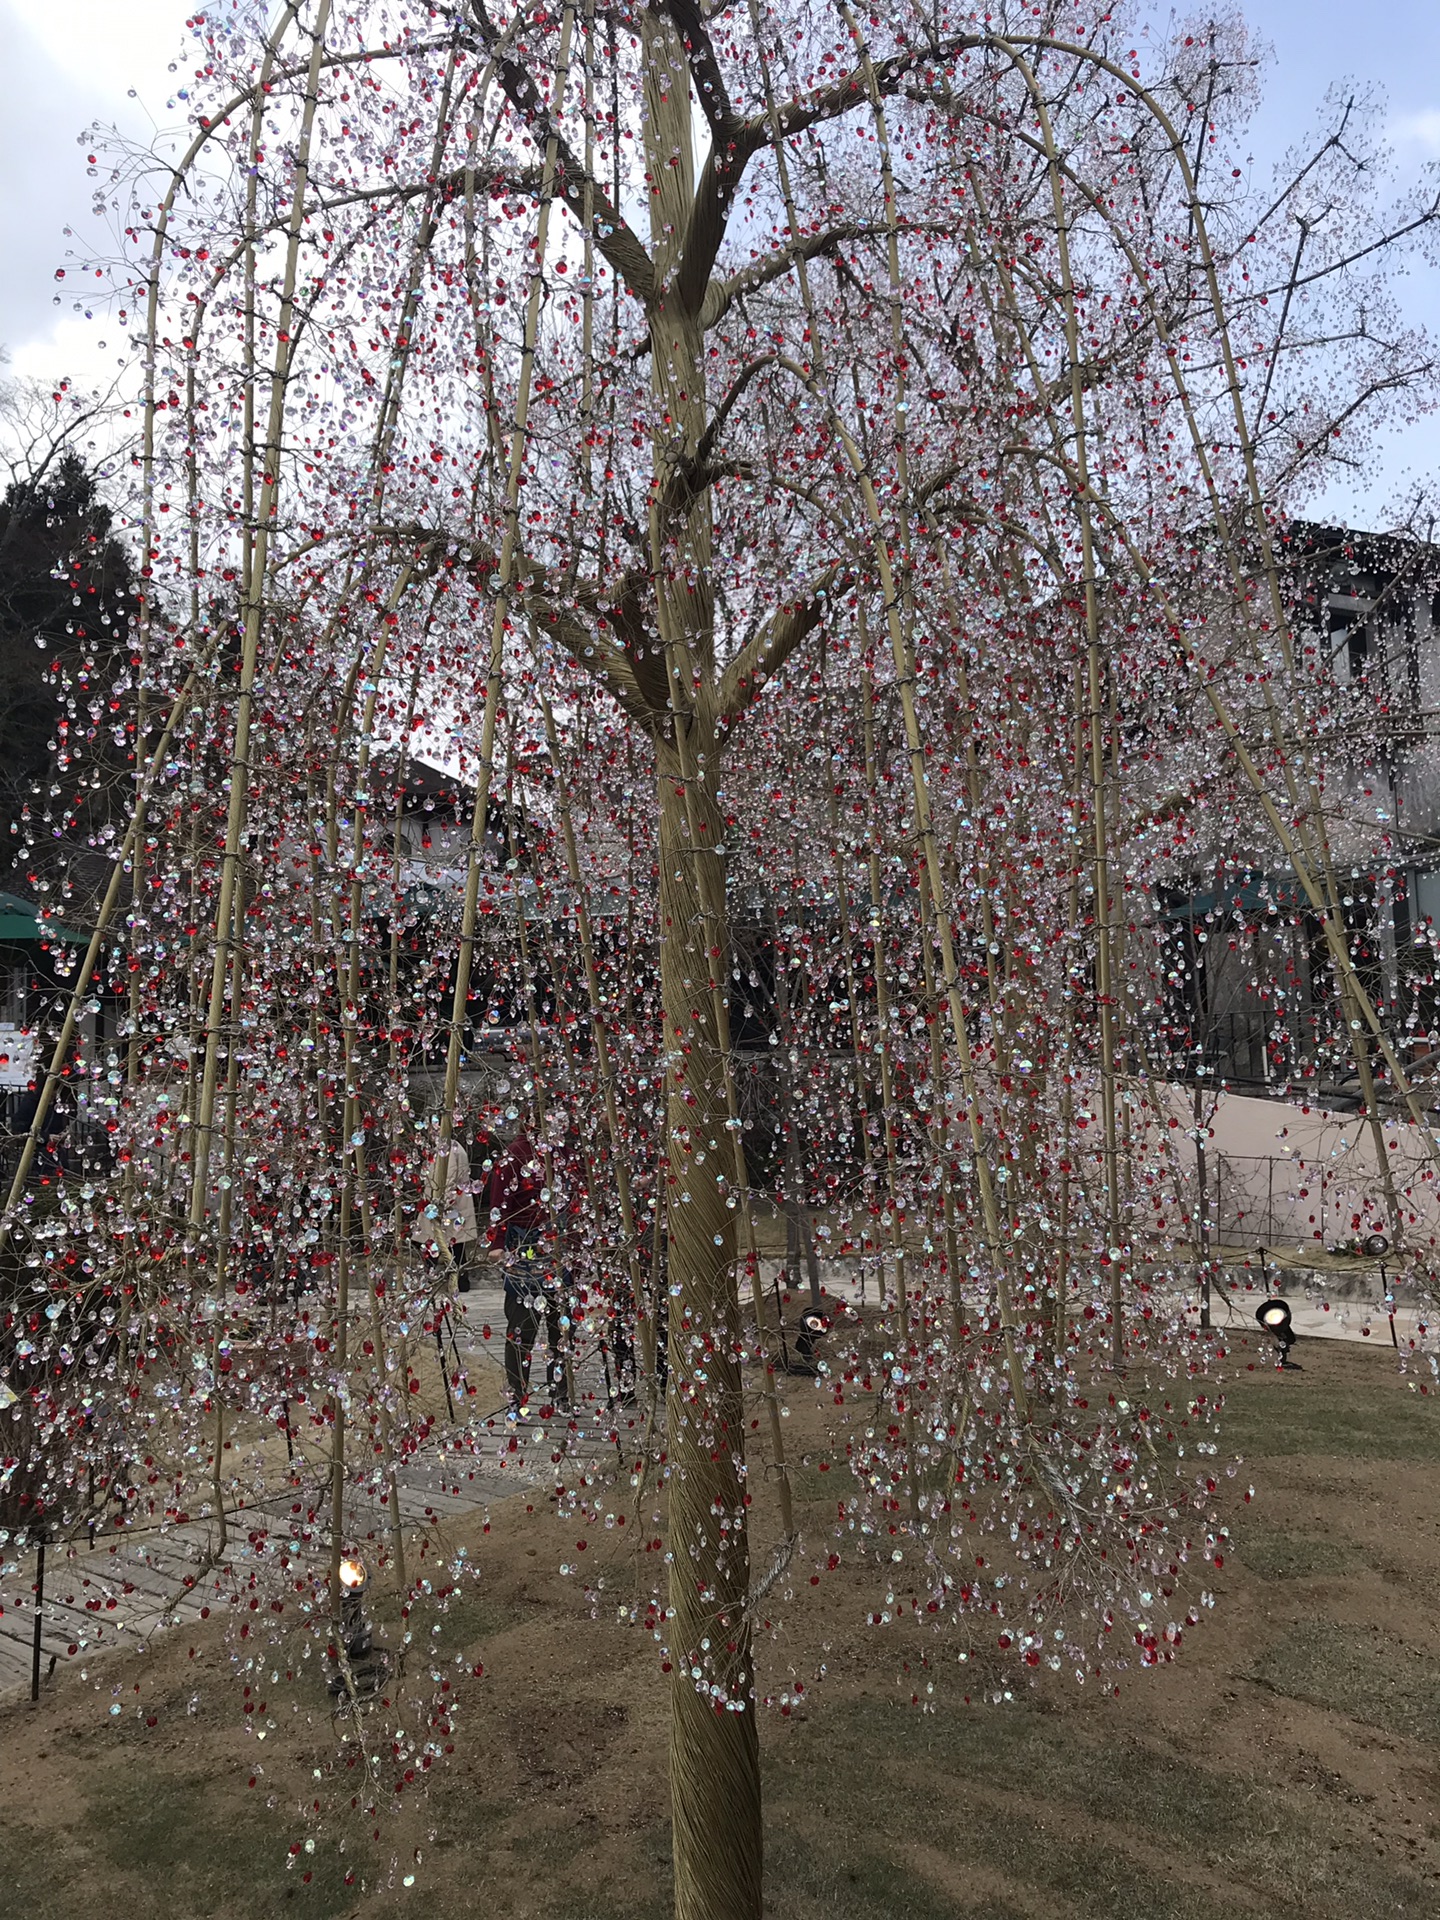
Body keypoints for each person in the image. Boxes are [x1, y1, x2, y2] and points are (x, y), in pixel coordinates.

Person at [484, 1128, 567, 1414]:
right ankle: (516, 1396)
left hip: (558, 1243)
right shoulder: (515, 1154)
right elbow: (499, 1204)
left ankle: (562, 1393)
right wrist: (496, 1242)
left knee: (562, 1324)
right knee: (521, 1326)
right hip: (524, 1245)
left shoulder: (561, 1150)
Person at [411, 1128, 479, 1290]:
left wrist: (440, 1204)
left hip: (446, 1205)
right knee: (454, 1244)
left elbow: (447, 1178)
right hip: (451, 1203)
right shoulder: (452, 1148)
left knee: (435, 1241)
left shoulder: (447, 1150)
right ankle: (458, 1280)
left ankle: (430, 1280)